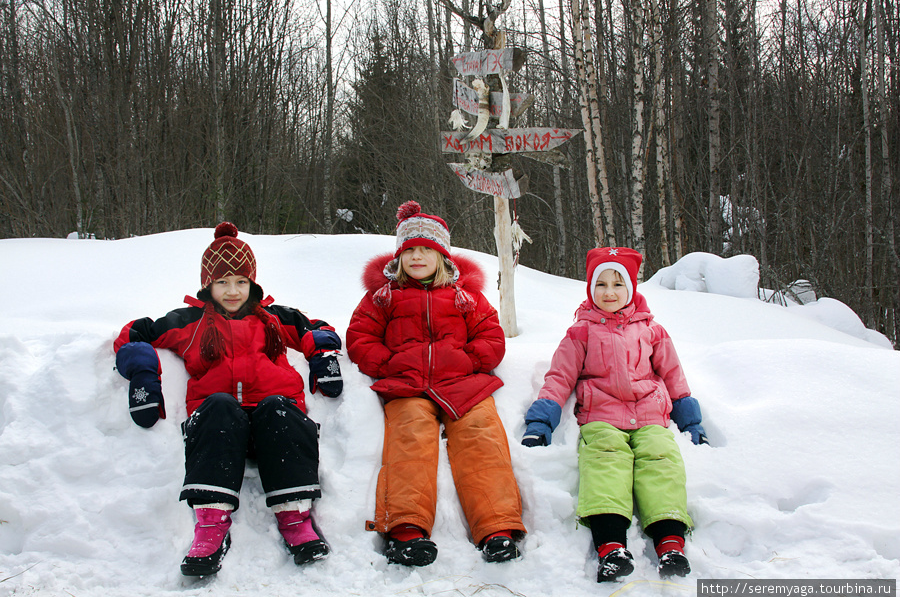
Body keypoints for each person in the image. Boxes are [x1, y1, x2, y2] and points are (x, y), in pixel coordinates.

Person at [113, 222, 344, 577]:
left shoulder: (273, 317)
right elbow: (132, 334)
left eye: (240, 281)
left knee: (278, 407)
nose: (232, 291)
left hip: (274, 420)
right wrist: (143, 373)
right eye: (222, 282)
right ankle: (210, 523)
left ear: (252, 283)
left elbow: (317, 328)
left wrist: (322, 355)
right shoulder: (187, 322)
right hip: (219, 424)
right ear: (208, 285)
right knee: (219, 404)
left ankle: (294, 516)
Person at [346, 201, 526, 566]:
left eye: (426, 249)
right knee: (410, 439)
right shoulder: (384, 297)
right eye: (409, 249)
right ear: (398, 257)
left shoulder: (465, 297)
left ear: (442, 256)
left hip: (464, 385)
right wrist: (388, 364)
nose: (417, 256)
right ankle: (406, 529)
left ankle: (497, 528)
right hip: (407, 387)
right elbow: (360, 338)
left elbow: (491, 337)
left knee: (482, 438)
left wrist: (470, 361)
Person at [521, 247, 707, 582]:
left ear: (632, 289)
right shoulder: (581, 332)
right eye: (601, 284)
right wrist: (541, 418)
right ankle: (611, 547)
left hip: (650, 414)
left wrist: (689, 418)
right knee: (605, 462)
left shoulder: (653, 330)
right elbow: (560, 376)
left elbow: (673, 374)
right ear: (591, 289)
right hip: (602, 415)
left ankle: (670, 542)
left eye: (618, 285)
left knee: (660, 459)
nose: (609, 292)